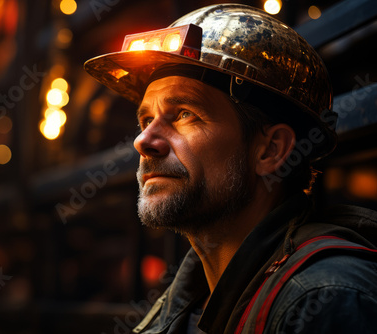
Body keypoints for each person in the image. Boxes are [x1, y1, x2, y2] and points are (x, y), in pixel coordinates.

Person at [84, 4, 377, 333]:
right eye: (147, 119)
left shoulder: (325, 300)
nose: (143, 141)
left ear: (271, 150)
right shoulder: (193, 301)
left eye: (184, 114)